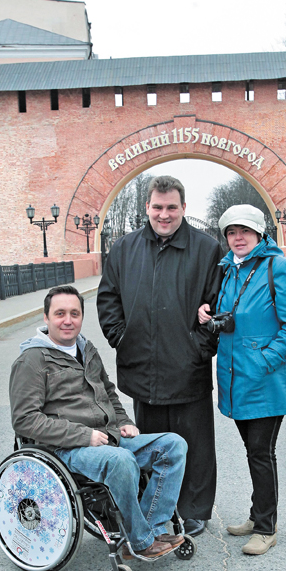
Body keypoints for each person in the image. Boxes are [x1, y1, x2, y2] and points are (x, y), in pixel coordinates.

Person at [9, 285, 188, 559]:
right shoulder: (32, 360)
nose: (67, 320)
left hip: (108, 437)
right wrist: (84, 436)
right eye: (59, 314)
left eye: (74, 313)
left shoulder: (87, 349)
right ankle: (140, 541)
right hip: (66, 449)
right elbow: (25, 420)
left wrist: (124, 421)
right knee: (121, 461)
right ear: (46, 318)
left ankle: (152, 529)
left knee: (173, 445)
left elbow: (108, 391)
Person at [97, 176, 223, 538]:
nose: (164, 214)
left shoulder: (206, 249)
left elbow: (216, 304)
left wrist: (200, 348)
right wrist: (121, 337)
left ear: (184, 208)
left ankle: (194, 509)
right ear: (147, 208)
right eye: (157, 207)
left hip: (188, 366)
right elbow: (108, 299)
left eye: (171, 207)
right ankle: (156, 509)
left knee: (195, 444)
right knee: (150, 444)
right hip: (143, 367)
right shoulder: (124, 248)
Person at [197, 205, 286, 556]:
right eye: (231, 232)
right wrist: (208, 314)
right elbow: (229, 315)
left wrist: (262, 362)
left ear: (260, 234)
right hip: (236, 376)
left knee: (262, 452)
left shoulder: (281, 268)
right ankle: (257, 513)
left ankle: (266, 527)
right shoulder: (230, 270)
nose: (238, 237)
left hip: (266, 379)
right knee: (253, 450)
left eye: (245, 231)